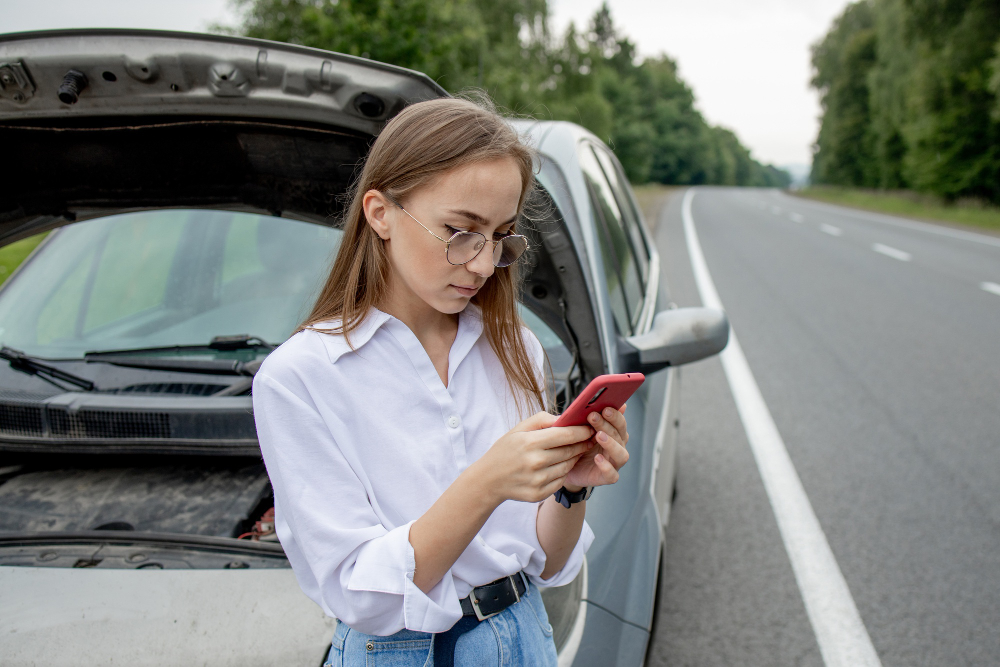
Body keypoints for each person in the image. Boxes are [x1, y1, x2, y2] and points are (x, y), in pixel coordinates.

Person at [251, 96, 631, 666]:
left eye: (500, 236)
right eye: (459, 230)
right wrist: (487, 483)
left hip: (523, 636)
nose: (481, 264)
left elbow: (549, 565)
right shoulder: (299, 378)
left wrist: (571, 488)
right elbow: (360, 592)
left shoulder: (517, 349)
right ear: (380, 213)